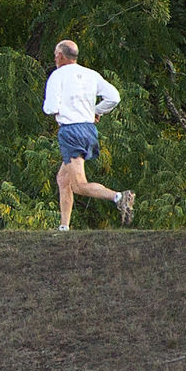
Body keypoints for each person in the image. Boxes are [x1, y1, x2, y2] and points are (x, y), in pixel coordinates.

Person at [40, 39, 134, 231]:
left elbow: (50, 108)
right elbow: (114, 97)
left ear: (59, 56)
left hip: (71, 131)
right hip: (88, 129)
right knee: (62, 179)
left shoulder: (57, 76)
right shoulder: (91, 74)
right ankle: (64, 227)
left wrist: (58, 109)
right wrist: (96, 111)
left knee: (79, 185)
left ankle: (119, 197)